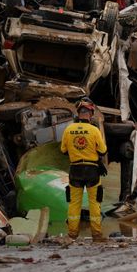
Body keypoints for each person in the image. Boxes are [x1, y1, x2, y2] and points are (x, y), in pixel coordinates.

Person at [60, 98, 108, 241]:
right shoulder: (94, 130)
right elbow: (103, 150)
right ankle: (97, 235)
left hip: (75, 170)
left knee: (74, 203)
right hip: (92, 170)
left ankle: (72, 235)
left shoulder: (69, 129)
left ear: (78, 112)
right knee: (94, 202)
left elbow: (63, 150)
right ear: (91, 113)